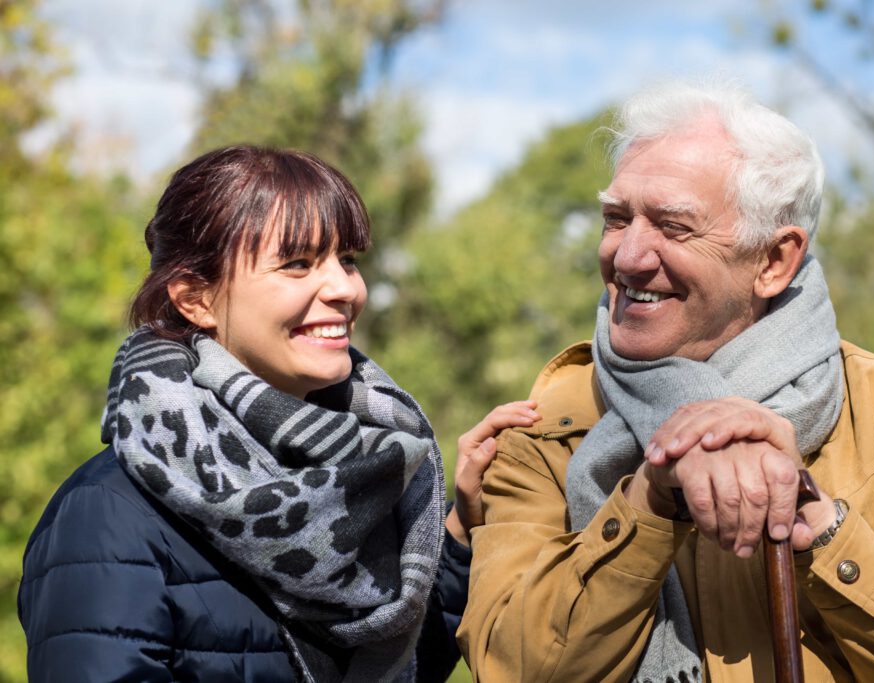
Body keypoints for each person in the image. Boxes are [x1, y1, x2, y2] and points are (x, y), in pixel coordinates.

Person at [458, 80, 874, 682]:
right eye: (617, 219)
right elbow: (511, 668)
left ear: (774, 261)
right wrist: (651, 496)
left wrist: (823, 533)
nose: (626, 257)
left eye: (674, 227)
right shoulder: (544, 427)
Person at [17, 145, 539, 682]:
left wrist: (457, 530)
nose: (345, 288)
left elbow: (390, 668)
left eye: (348, 260)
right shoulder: (106, 517)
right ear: (196, 298)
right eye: (297, 264)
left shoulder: (369, 474)